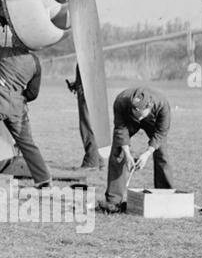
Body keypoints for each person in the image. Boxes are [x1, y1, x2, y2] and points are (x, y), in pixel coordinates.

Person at [0, 20, 53, 187]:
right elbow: (33, 93)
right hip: (17, 105)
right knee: (27, 143)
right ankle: (43, 180)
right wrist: (18, 96)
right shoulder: (35, 63)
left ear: (17, 41)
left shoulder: (4, 54)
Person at [102, 84, 174, 212]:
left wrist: (147, 153)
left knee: (161, 153)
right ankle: (113, 201)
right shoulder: (121, 101)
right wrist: (127, 154)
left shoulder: (162, 105)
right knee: (118, 152)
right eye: (135, 112)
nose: (138, 117)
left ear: (149, 106)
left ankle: (165, 195)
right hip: (128, 121)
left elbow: (161, 133)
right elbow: (120, 130)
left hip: (152, 122)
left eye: (141, 114)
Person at [66, 65, 101, 169]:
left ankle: (91, 161)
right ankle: (98, 159)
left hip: (87, 93)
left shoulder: (86, 52)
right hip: (89, 91)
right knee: (91, 125)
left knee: (86, 126)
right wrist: (76, 84)